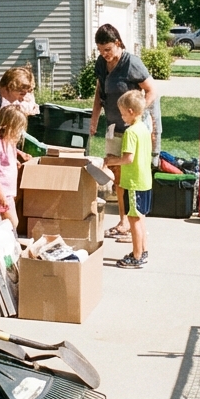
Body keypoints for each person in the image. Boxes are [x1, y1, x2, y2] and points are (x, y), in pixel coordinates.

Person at [87, 25, 158, 242]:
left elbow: (152, 90)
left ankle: (136, 226)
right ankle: (123, 223)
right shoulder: (102, 64)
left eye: (108, 49)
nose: (104, 54)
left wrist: (137, 115)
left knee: (132, 176)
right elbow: (100, 92)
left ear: (118, 42)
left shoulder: (131, 63)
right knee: (117, 175)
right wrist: (94, 117)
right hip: (114, 125)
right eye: (100, 50)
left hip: (133, 127)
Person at [105, 90, 151, 268]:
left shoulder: (131, 132)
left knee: (133, 221)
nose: (122, 117)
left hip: (133, 182)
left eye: (123, 113)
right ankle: (143, 250)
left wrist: (111, 160)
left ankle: (137, 256)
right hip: (145, 181)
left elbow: (128, 158)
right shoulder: (144, 128)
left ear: (131, 111)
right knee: (140, 218)